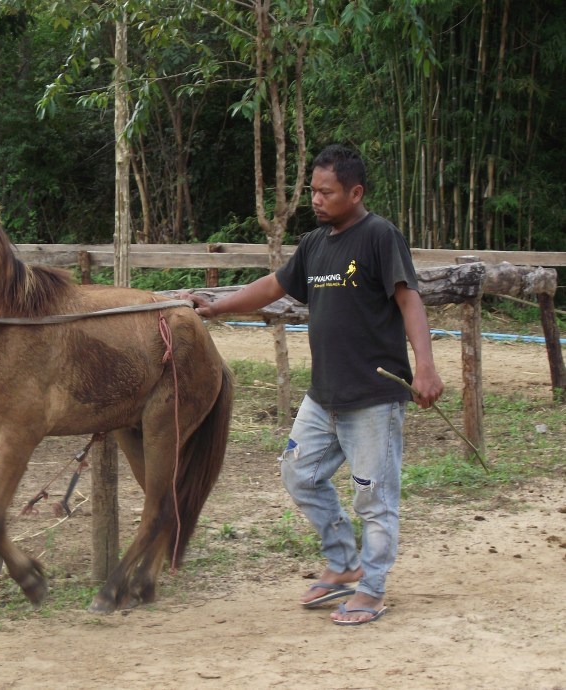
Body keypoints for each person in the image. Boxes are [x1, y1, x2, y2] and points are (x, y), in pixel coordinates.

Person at [185, 144, 443, 625]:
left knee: (375, 498)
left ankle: (371, 588)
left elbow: (410, 302)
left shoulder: (380, 236)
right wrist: (216, 306)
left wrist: (424, 367)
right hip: (324, 396)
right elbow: (273, 286)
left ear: (355, 192)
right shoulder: (314, 244)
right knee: (298, 474)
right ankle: (343, 562)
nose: (316, 200)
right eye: (313, 191)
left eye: (326, 192)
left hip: (373, 397)